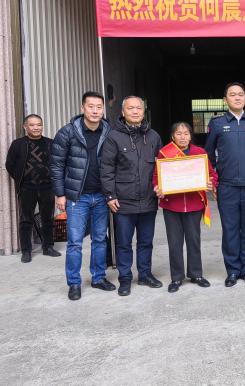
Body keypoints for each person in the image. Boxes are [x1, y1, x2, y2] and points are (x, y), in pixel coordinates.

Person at [50, 91, 114, 301]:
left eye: (99, 107)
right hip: (77, 197)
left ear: (103, 109)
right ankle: (74, 283)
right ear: (82, 108)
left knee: (99, 240)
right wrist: (60, 193)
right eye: (91, 106)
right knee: (75, 242)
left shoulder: (109, 131)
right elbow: (56, 165)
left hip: (102, 196)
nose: (95, 111)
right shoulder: (67, 132)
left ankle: (98, 278)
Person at [100, 96, 162, 297]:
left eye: (139, 108)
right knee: (124, 243)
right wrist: (110, 196)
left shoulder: (153, 136)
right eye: (131, 108)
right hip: (123, 201)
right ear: (123, 112)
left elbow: (161, 166)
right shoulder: (113, 137)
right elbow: (106, 168)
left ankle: (145, 274)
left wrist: (162, 186)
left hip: (148, 199)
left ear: (144, 111)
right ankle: (125, 278)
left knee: (146, 242)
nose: (135, 111)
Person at [205, 82, 245, 287]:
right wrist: (213, 180)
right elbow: (208, 155)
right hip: (227, 186)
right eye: (232, 94)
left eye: (240, 94)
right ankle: (232, 270)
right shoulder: (217, 124)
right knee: (230, 229)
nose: (237, 97)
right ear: (225, 99)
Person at [152, 122, 218, 293]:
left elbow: (211, 174)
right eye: (179, 134)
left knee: (193, 241)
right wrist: (158, 187)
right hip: (172, 206)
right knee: (174, 243)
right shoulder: (164, 153)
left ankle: (196, 274)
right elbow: (157, 176)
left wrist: (211, 183)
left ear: (190, 136)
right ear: (172, 137)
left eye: (186, 133)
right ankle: (176, 277)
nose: (182, 137)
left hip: (194, 204)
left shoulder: (199, 153)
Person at [6, 114, 61, 263]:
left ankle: (48, 247)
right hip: (27, 188)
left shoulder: (50, 143)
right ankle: (26, 251)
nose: (36, 127)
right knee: (26, 219)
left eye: (39, 124)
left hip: (47, 187)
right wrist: (21, 179)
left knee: (47, 218)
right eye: (32, 125)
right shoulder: (18, 144)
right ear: (25, 127)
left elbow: (57, 164)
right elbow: (9, 164)